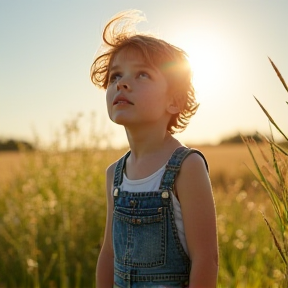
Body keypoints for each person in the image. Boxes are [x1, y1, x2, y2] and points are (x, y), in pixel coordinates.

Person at [90, 10, 218, 288]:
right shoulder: (115, 173)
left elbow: (206, 259)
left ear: (173, 101)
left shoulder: (187, 167)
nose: (122, 83)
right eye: (115, 76)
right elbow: (109, 254)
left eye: (142, 75)